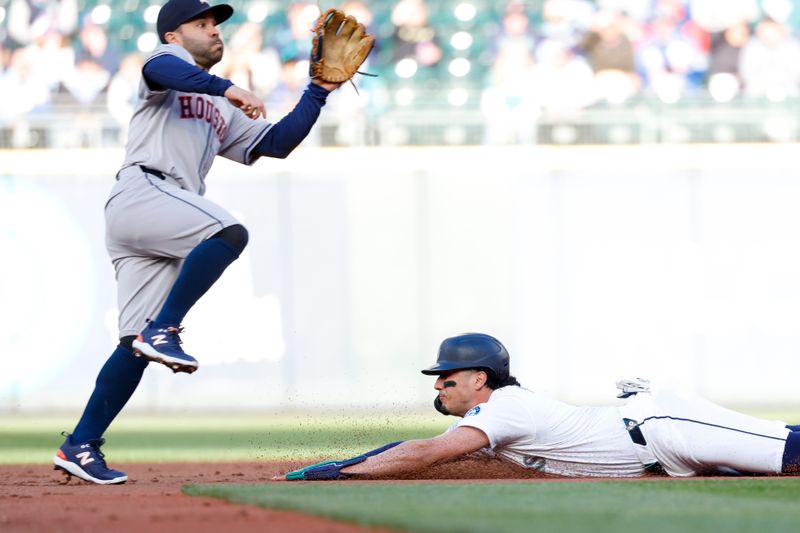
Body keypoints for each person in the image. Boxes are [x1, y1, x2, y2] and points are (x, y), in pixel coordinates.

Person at [53, 0, 343, 485]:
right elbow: (171, 73)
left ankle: (80, 444)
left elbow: (274, 143)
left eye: (216, 25)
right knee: (227, 232)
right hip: (145, 189)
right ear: (173, 35)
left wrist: (317, 92)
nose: (214, 32)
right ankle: (164, 329)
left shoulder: (216, 107)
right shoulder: (162, 64)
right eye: (202, 24)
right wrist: (229, 87)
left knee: (132, 345)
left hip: (157, 212)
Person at [278, 333, 800, 480]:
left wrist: (340, 472)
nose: (439, 387)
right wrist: (348, 463)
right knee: (773, 445)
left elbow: (425, 454)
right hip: (665, 453)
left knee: (791, 453)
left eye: (447, 377)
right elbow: (409, 446)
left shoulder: (502, 408)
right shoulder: (492, 419)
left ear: (479, 378)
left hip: (665, 429)